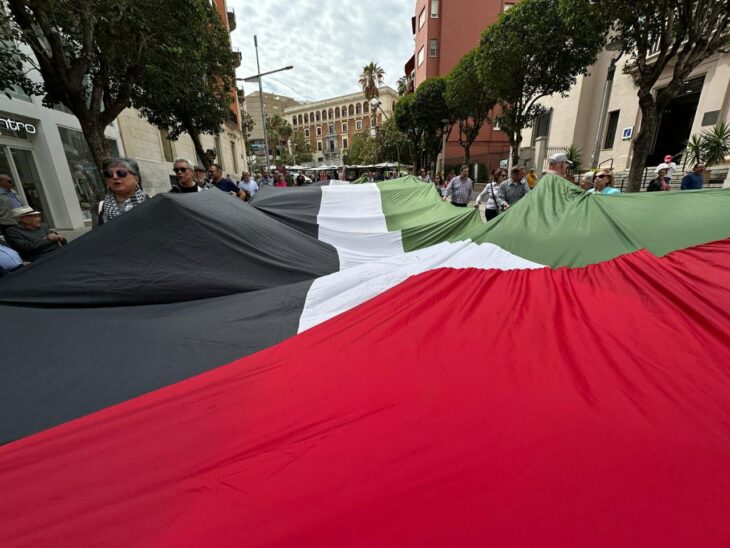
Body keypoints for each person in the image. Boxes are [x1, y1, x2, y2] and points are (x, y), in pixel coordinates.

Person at [98, 157, 149, 225]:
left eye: (121, 173)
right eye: (109, 174)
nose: (115, 177)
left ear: (136, 179)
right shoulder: (100, 207)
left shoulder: (150, 202)